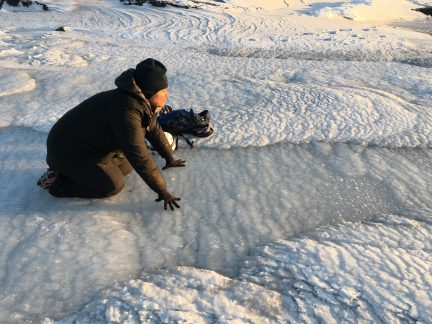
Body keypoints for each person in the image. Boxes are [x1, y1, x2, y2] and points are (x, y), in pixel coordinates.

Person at [37, 58, 185, 211]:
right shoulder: (128, 113)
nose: (166, 94)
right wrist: (163, 191)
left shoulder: (141, 101)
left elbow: (153, 129)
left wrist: (170, 158)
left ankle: (71, 171)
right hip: (68, 150)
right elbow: (140, 156)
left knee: (125, 168)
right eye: (162, 91)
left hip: (90, 144)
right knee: (112, 186)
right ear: (149, 93)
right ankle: (58, 183)